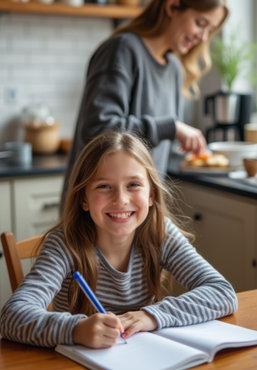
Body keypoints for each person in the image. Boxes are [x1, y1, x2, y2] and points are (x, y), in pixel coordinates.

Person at [0, 131, 237, 349]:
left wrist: (151, 316)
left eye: (133, 185)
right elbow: (12, 316)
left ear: (151, 195)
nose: (121, 199)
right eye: (104, 186)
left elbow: (222, 292)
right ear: (84, 199)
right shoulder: (64, 244)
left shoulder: (160, 234)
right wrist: (76, 330)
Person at [62, 0, 229, 203]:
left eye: (209, 30)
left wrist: (176, 140)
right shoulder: (122, 50)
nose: (203, 37)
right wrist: (171, 128)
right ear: (172, 6)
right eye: (200, 23)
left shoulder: (173, 67)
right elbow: (98, 130)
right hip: (98, 211)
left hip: (140, 210)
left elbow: (151, 144)